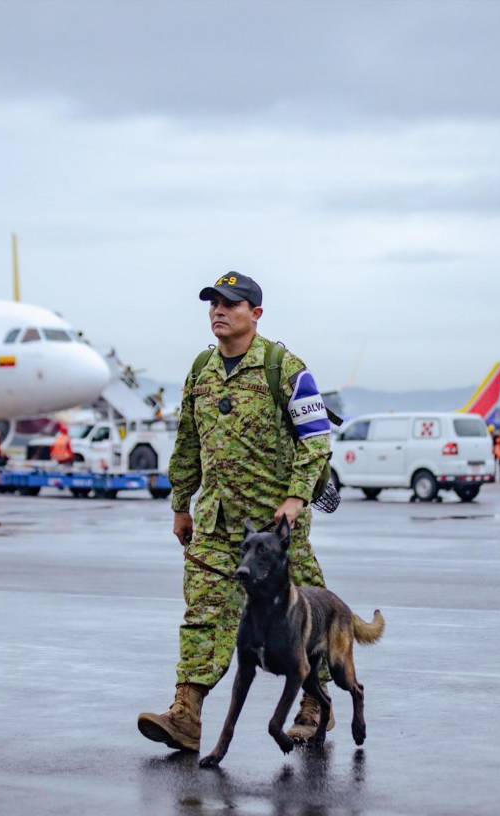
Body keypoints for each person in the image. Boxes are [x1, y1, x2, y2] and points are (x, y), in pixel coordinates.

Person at [138, 273, 334, 753]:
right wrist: (181, 504)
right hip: (216, 524)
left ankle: (315, 705)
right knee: (203, 614)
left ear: (256, 314)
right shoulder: (201, 369)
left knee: (301, 619)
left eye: (231, 303)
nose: (219, 311)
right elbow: (187, 442)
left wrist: (295, 499)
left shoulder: (284, 367)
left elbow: (316, 440)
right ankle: (186, 714)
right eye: (214, 303)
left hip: (274, 532)